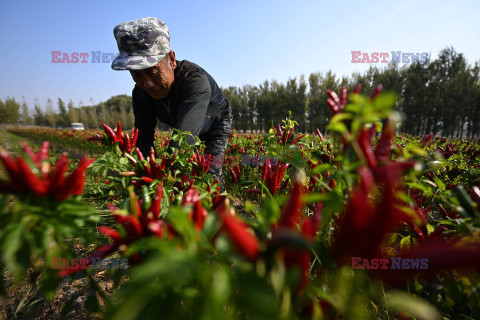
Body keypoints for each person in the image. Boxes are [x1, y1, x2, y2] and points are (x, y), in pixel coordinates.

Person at [111, 17, 232, 190]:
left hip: (215, 125)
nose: (147, 84)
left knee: (209, 178)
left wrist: (159, 178)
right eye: (136, 74)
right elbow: (143, 137)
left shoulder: (195, 82)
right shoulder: (141, 92)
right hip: (182, 124)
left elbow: (183, 139)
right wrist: (144, 173)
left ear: (172, 60)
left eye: (153, 72)